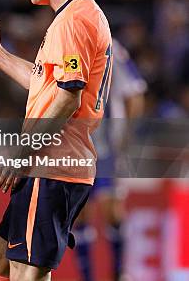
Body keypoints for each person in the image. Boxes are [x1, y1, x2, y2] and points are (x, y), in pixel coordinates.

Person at [0, 0, 113, 281]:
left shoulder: (74, 21)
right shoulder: (77, 15)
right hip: (53, 163)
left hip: (52, 165)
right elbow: (48, 83)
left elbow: (68, 97)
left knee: (27, 273)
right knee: (0, 254)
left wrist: (23, 155)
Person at [73, 39, 147, 281]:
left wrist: (125, 138)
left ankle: (117, 272)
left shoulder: (112, 47)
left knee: (111, 209)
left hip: (108, 148)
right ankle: (87, 277)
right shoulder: (63, 43)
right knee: (79, 213)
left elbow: (135, 94)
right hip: (76, 146)